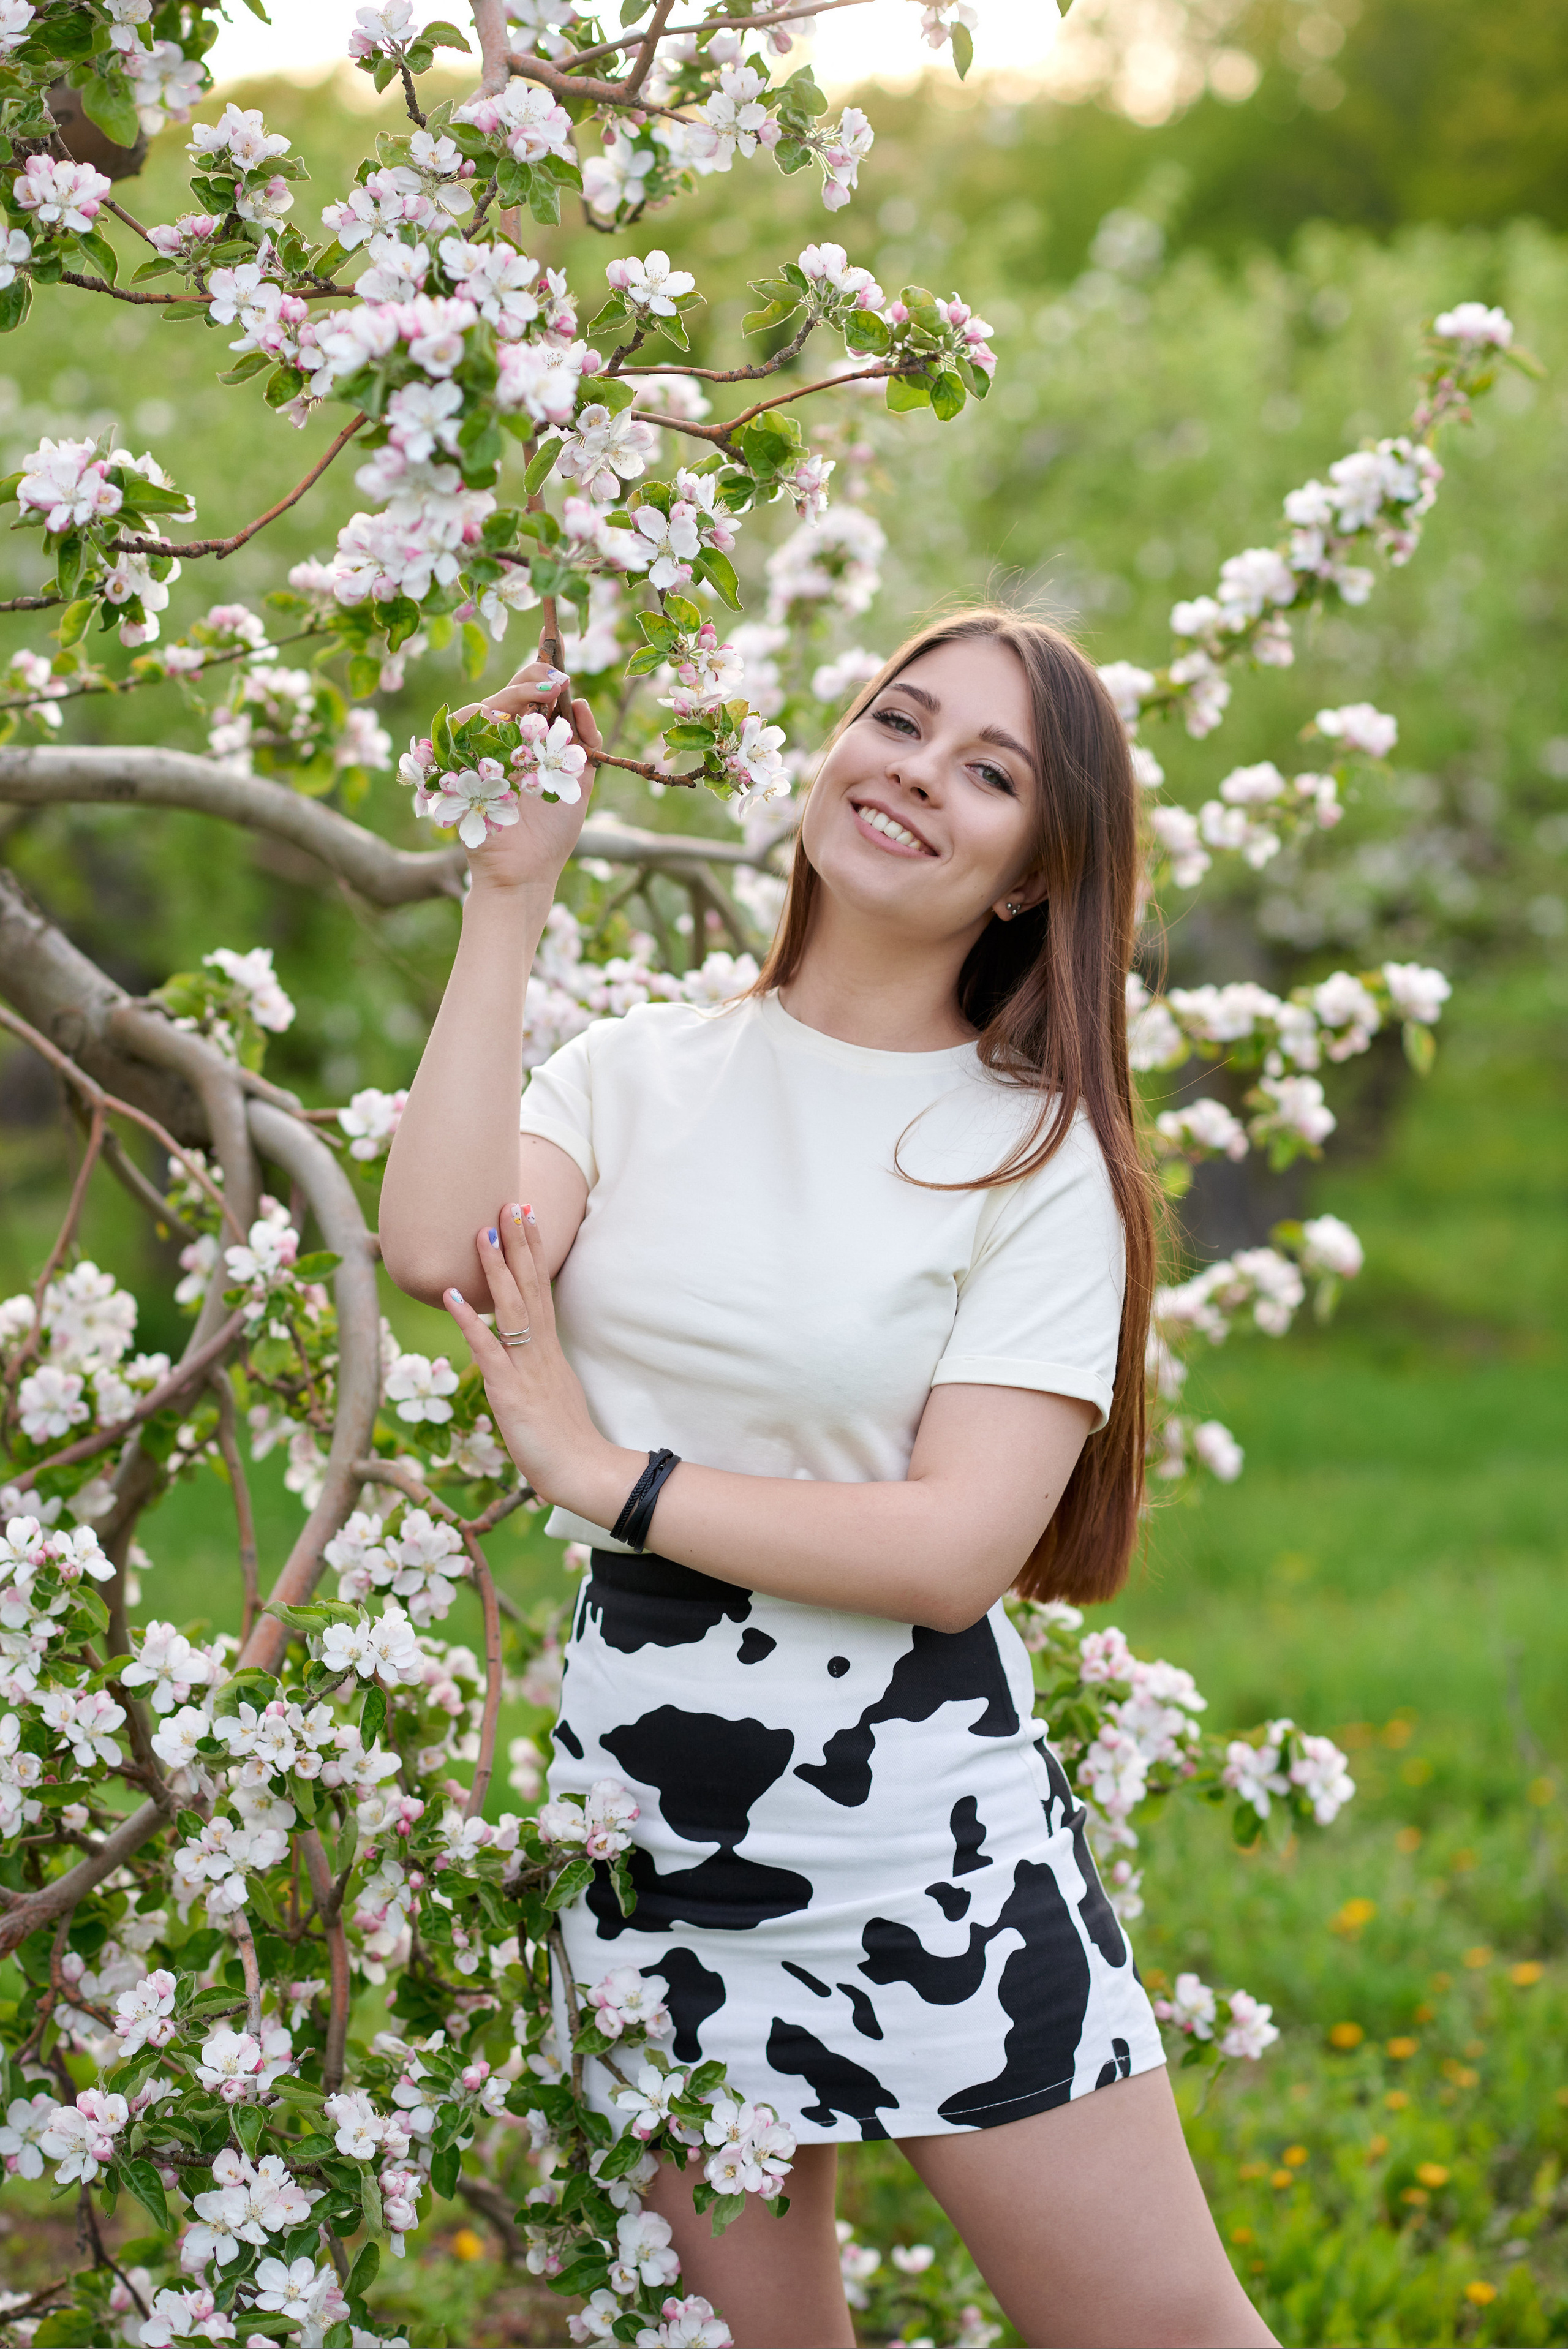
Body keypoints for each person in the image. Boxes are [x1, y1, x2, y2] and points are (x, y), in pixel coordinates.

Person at [380, 608, 1276, 2349]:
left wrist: (602, 1471)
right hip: (655, 1826)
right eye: (900, 720)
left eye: (989, 772)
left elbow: (956, 1551)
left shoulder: (1035, 1156)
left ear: (1033, 875)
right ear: (834, 741)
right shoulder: (633, 1072)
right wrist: (508, 895)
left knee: (1164, 2330)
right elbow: (437, 1240)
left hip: (929, 1845)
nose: (916, 776)